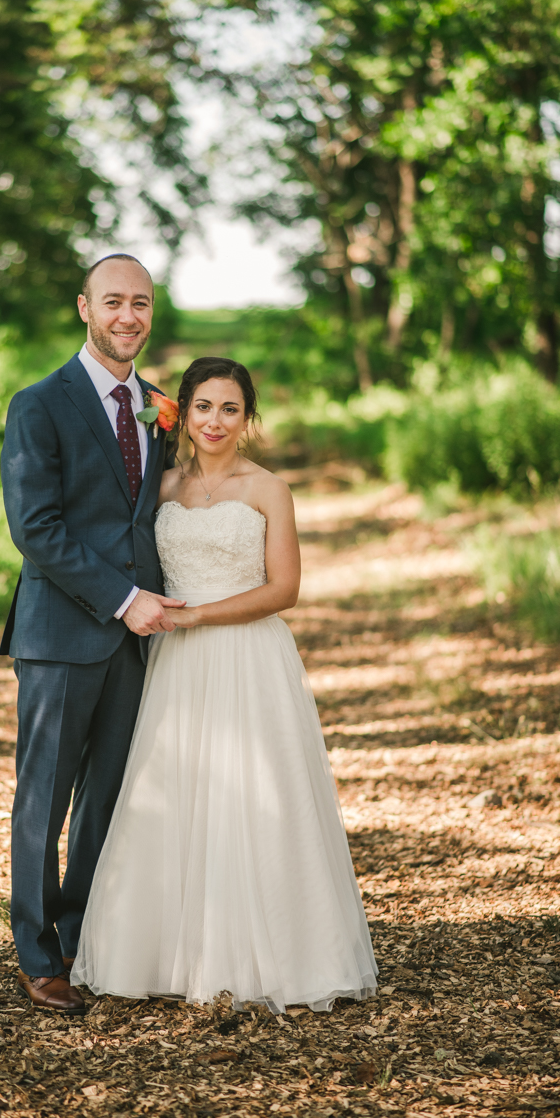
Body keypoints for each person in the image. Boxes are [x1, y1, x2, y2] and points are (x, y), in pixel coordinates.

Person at [72, 357, 378, 1013]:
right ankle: (167, 953)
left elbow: (285, 589)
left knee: (257, 796)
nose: (216, 421)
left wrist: (202, 614)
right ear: (182, 411)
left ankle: (278, 954)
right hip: (175, 664)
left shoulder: (268, 489)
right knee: (176, 794)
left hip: (246, 655)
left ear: (248, 418)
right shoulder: (161, 486)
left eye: (231, 409)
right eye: (204, 406)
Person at [0, 254, 184, 1015]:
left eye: (140, 303)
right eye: (113, 301)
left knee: (107, 798)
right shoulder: (39, 405)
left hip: (141, 644)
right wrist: (123, 599)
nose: (128, 317)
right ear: (85, 307)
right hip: (63, 634)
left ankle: (80, 937)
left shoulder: (162, 407)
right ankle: (37, 953)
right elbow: (34, 528)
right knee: (43, 801)